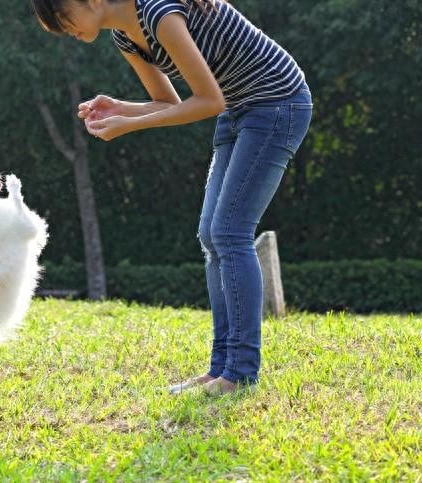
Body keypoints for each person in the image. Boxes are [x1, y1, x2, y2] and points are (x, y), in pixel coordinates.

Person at [32, 0, 313, 395]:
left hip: (277, 103)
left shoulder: (159, 14)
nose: (67, 31)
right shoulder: (125, 37)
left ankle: (241, 373)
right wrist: (120, 107)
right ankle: (221, 369)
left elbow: (208, 101)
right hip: (237, 109)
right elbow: (171, 104)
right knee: (210, 234)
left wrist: (129, 125)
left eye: (64, 19)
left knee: (230, 232)